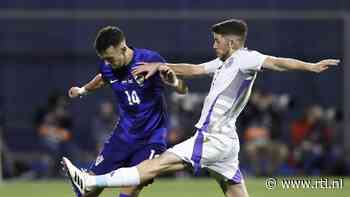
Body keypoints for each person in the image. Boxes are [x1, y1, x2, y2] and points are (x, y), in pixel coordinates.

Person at [63, 19, 339, 197]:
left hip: (211, 138)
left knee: (153, 166)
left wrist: (311, 66)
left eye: (217, 40)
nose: (213, 44)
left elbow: (278, 62)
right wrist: (161, 66)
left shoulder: (246, 58)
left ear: (231, 42)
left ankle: (91, 182)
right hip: (226, 141)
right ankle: (92, 182)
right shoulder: (223, 63)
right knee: (235, 192)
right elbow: (193, 69)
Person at [65, 26, 187, 197]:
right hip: (123, 136)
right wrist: (82, 90)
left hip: (151, 137)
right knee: (89, 186)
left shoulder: (149, 60)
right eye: (104, 59)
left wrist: (174, 81)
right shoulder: (108, 66)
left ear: (123, 48)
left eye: (110, 58)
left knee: (132, 185)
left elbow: (183, 89)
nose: (107, 63)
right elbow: (102, 78)